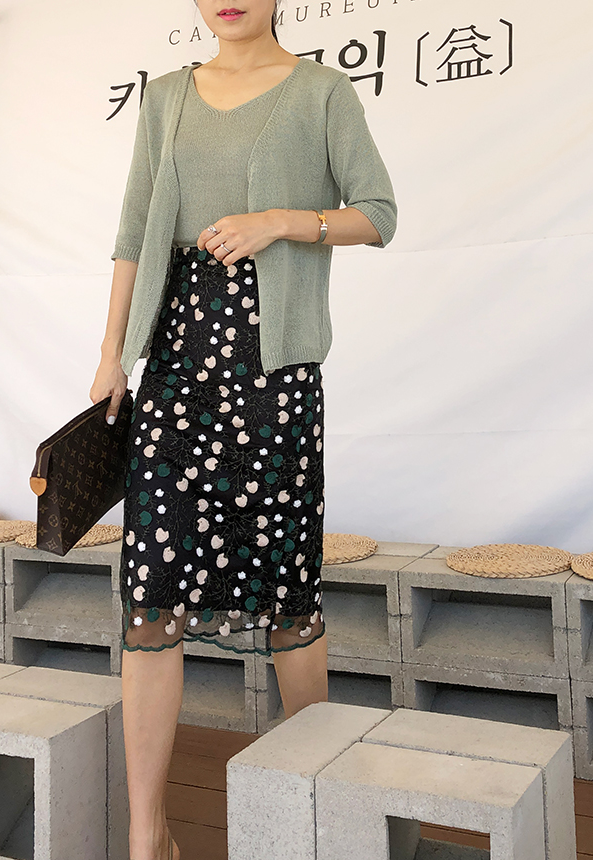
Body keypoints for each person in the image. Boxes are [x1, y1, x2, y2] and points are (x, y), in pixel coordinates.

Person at [90, 2, 396, 858]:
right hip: (174, 368)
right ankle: (148, 836)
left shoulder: (321, 92)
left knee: (288, 593)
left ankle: (313, 819)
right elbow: (132, 233)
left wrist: (283, 222)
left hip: (274, 374)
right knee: (152, 595)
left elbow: (378, 212)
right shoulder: (164, 98)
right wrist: (112, 355)